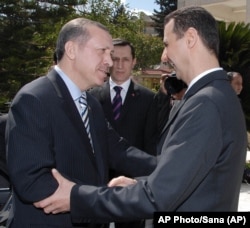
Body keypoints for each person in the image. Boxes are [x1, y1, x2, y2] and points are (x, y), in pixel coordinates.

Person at [34, 6, 247, 222]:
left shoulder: (206, 103)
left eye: (166, 44)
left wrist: (75, 197)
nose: (164, 56)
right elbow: (186, 176)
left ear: (190, 38)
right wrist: (143, 185)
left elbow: (157, 198)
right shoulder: (217, 95)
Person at [6, 18, 157, 228]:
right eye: (102, 51)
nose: (110, 62)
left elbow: (119, 151)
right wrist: (104, 198)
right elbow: (32, 182)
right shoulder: (34, 99)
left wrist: (172, 169)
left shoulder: (91, 105)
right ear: (72, 50)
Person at [89, 38, 158, 228]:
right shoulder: (90, 97)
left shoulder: (149, 99)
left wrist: (142, 182)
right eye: (115, 59)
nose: (120, 65)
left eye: (125, 60)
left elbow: (150, 144)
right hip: (97, 186)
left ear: (134, 62)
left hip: (131, 186)